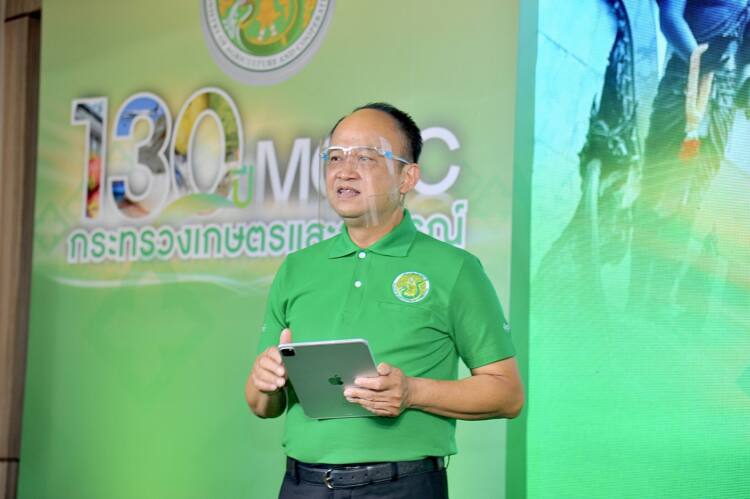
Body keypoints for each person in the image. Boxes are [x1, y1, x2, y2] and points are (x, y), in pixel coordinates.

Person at [246, 102, 524, 498]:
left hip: (401, 486)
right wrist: (265, 381)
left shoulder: (454, 268)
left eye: (365, 157)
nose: (344, 170)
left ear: (407, 176)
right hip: (302, 485)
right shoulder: (296, 268)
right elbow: (262, 405)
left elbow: (507, 394)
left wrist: (412, 392)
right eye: (335, 157)